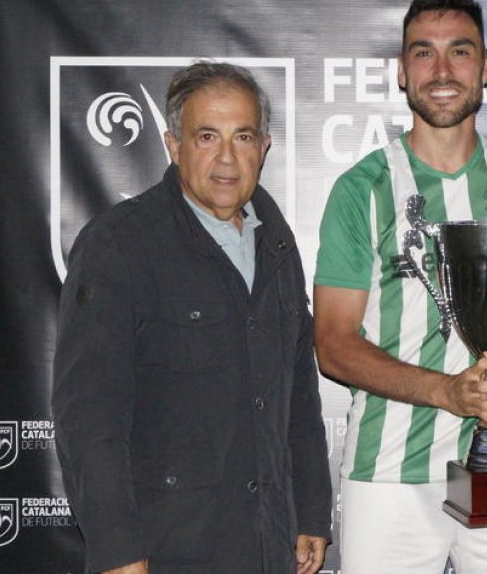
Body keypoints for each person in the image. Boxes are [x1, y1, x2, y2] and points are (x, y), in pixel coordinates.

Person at [53, 61, 333, 574]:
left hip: (268, 545)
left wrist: (312, 509)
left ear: (264, 147)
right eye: (207, 136)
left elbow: (299, 395)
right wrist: (117, 551)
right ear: (173, 145)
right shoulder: (119, 246)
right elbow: (89, 418)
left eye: (243, 136)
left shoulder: (277, 242)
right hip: (166, 552)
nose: (227, 157)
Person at [313, 0, 487, 574]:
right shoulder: (362, 188)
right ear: (402, 71)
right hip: (390, 469)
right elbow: (334, 346)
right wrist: (449, 393)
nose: (442, 70)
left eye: (460, 51)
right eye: (423, 53)